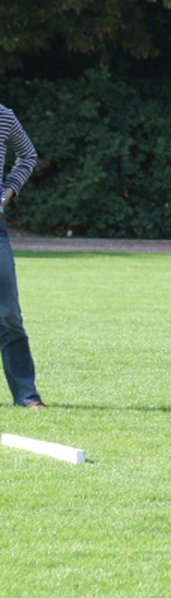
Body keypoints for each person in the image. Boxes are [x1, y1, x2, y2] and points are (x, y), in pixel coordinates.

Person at [0, 104, 46, 409]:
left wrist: (7, 193)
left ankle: (26, 394)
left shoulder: (3, 115)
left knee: (8, 314)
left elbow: (28, 155)